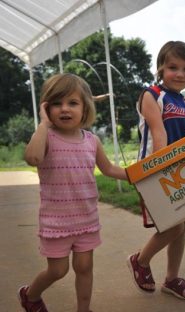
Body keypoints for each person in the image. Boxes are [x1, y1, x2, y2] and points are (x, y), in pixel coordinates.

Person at [19, 73, 128, 312]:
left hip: (86, 218)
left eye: (72, 103)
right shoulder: (46, 137)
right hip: (56, 222)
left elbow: (108, 169)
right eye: (56, 103)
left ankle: (83, 309)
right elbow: (32, 158)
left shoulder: (91, 140)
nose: (64, 109)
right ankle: (30, 295)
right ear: (46, 108)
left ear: (85, 107)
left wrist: (136, 175)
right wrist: (43, 125)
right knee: (58, 270)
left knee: (84, 267)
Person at [126, 41, 185, 300]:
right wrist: (160, 170)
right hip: (154, 171)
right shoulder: (151, 94)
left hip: (180, 173)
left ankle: (171, 278)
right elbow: (159, 133)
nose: (180, 74)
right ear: (160, 69)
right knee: (173, 227)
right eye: (172, 67)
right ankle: (140, 261)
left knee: (182, 225)